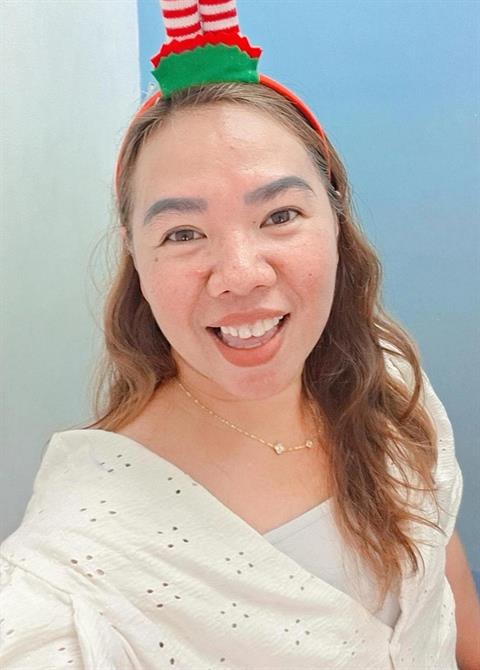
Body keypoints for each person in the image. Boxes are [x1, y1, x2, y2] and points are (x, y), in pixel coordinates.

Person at [1, 2, 479, 669]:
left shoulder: (392, 382)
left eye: (279, 215)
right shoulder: (73, 566)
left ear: (335, 217)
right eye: (183, 233)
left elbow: (441, 586)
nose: (240, 274)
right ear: (135, 257)